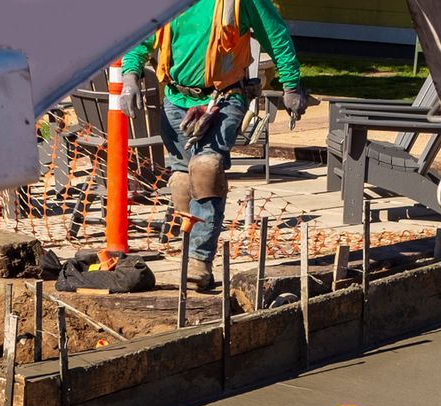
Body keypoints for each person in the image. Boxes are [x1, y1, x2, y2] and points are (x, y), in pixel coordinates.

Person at [121, 1, 309, 293]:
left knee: (206, 168)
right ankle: (189, 252)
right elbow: (140, 35)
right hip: (175, 98)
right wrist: (130, 76)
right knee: (182, 179)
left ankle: (199, 261)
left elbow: (275, 35)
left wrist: (291, 85)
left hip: (223, 97)